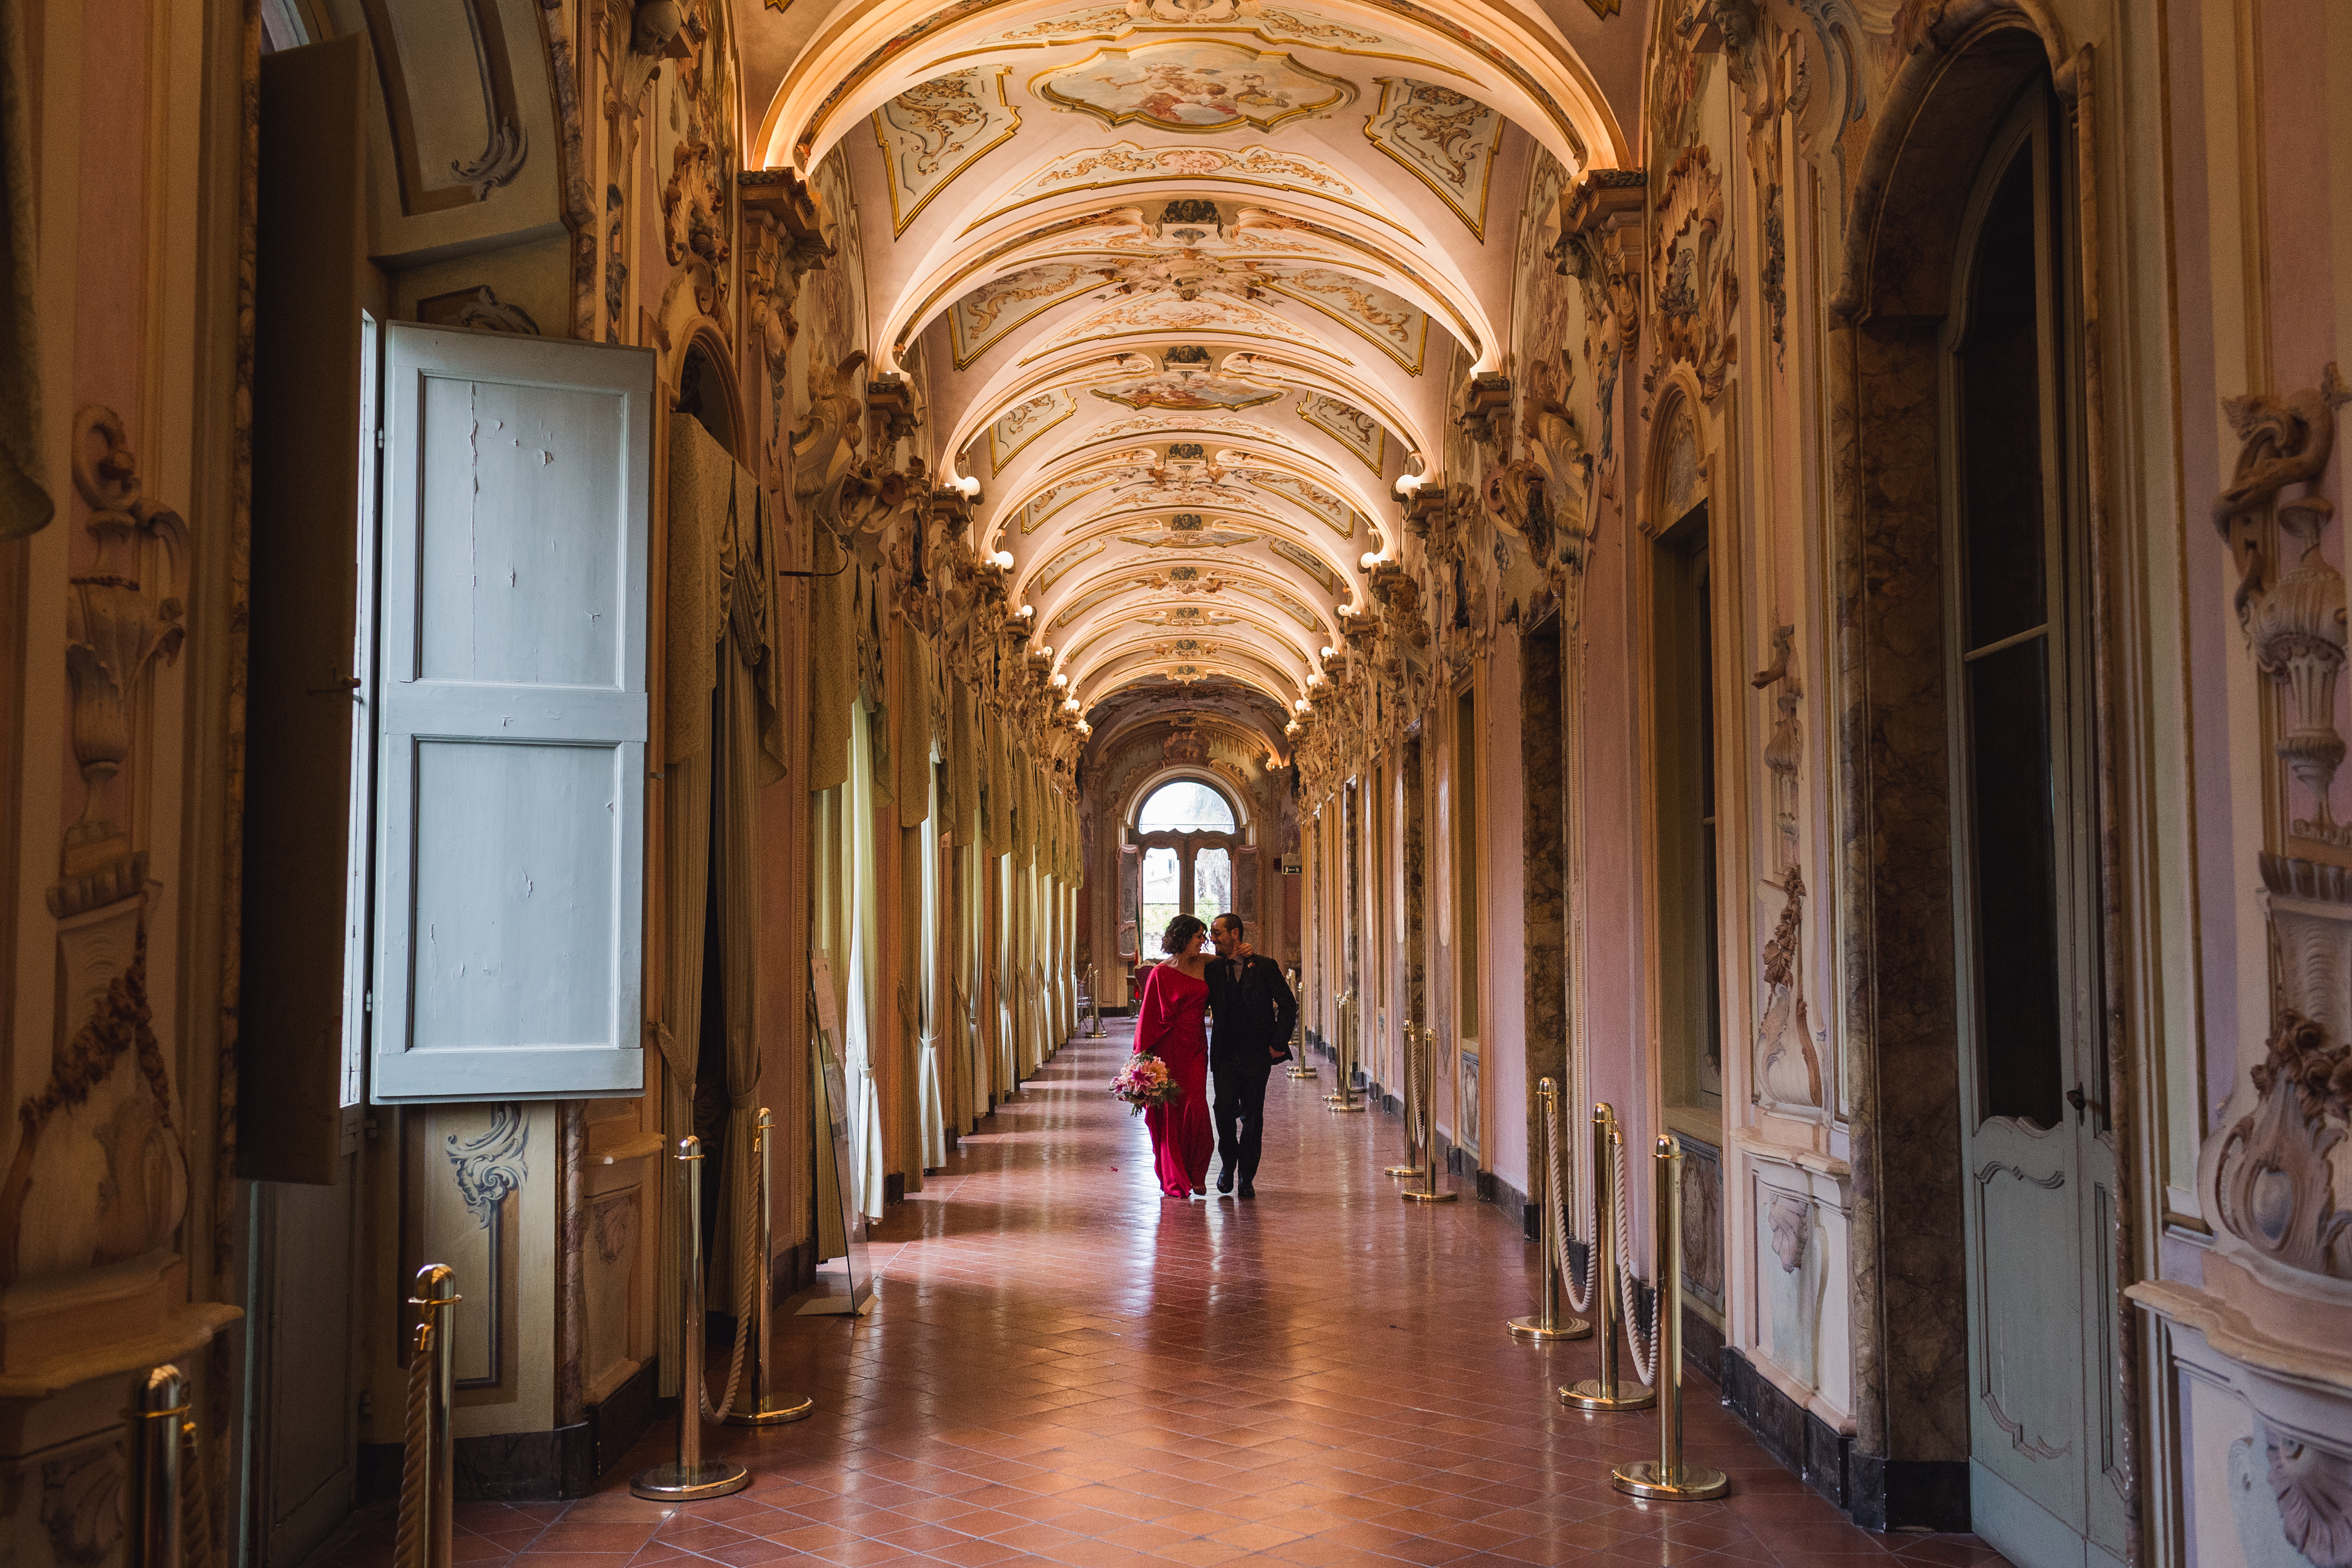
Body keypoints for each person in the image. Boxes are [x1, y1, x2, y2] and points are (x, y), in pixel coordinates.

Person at [1206, 913, 1298, 1198]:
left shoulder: (1265, 966)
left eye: (1217, 932)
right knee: (1223, 1110)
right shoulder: (1212, 968)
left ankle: (1247, 1176)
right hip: (1224, 1053)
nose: (1213, 938)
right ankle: (1227, 1164)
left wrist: (1278, 1042)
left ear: (1235, 934)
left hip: (1257, 1053)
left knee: (1252, 1116)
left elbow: (1288, 1005)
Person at [1132, 914, 1215, 1198]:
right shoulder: (1160, 973)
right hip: (1168, 1050)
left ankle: (1197, 1172)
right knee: (1171, 1112)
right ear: (1182, 938)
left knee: (1197, 1108)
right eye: (1198, 936)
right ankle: (1175, 1176)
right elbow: (1148, 1020)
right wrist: (1140, 1061)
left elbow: (1234, 961)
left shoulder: (1207, 964)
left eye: (1204, 935)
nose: (1203, 941)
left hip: (1195, 1048)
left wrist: (1245, 949)